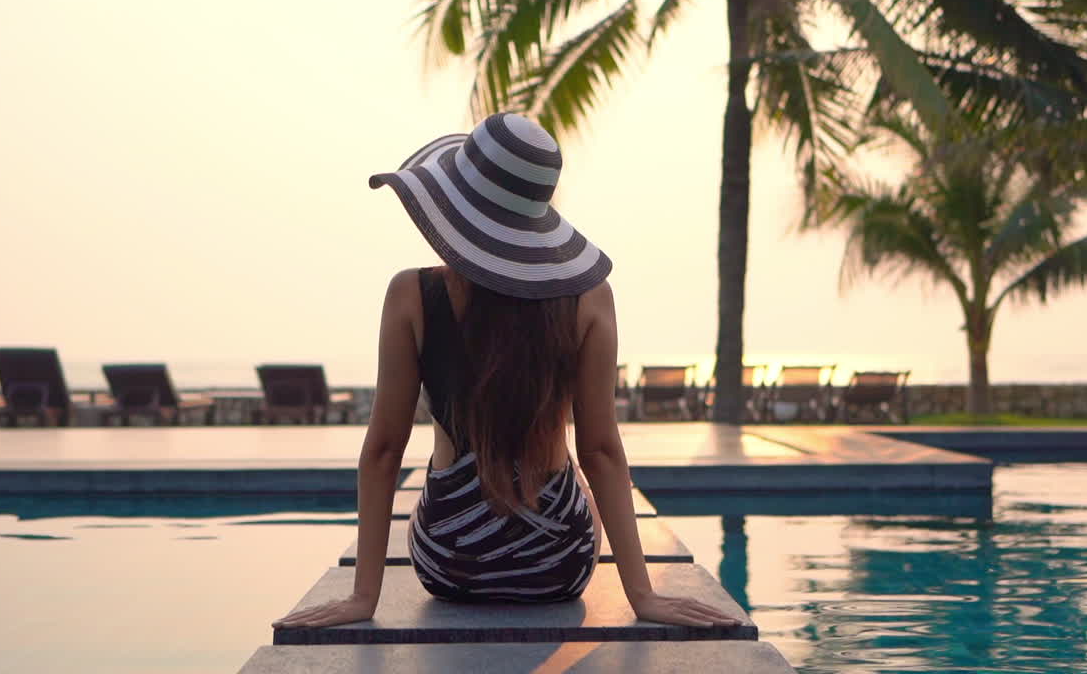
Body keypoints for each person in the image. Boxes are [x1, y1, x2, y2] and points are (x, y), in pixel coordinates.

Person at [272, 113, 740, 630]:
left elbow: (384, 451)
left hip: (450, 562)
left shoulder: (412, 294)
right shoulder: (588, 299)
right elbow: (601, 451)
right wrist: (643, 596)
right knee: (573, 481)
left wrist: (363, 598)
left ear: (456, 208)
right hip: (557, 563)